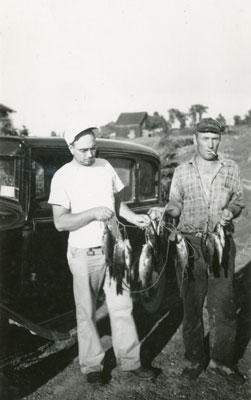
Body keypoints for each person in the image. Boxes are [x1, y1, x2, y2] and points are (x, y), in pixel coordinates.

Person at [48, 127, 155, 385]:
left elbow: (117, 204)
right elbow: (60, 223)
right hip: (84, 255)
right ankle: (92, 365)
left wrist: (133, 217)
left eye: (93, 148)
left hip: (115, 251)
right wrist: (92, 213)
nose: (89, 154)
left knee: (122, 307)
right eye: (83, 149)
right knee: (86, 312)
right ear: (70, 147)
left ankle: (130, 361)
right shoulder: (62, 177)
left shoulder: (105, 165)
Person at [150, 118, 245, 384]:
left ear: (220, 140)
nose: (210, 144)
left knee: (223, 306)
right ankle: (194, 359)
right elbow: (175, 204)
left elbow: (239, 200)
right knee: (191, 306)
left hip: (220, 242)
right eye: (205, 138)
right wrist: (165, 211)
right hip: (188, 245)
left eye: (215, 138)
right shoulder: (182, 171)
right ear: (195, 140)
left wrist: (231, 212)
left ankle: (222, 362)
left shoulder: (230, 168)